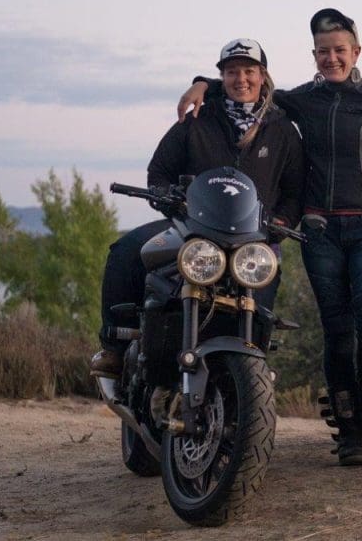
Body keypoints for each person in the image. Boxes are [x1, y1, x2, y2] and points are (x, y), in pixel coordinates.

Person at [178, 8, 362, 466]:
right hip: (320, 229)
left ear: (356, 52)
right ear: (314, 55)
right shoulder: (301, 100)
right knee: (338, 332)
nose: (332, 59)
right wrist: (202, 82)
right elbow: (248, 83)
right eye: (323, 52)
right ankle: (349, 433)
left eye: (339, 50)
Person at [90, 38, 305, 378]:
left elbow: (295, 190)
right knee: (126, 250)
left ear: (263, 76)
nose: (241, 80)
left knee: (261, 313)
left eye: (249, 71)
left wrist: (281, 221)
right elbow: (158, 171)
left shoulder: (282, 130)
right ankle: (115, 348)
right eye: (232, 72)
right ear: (223, 77)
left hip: (255, 241)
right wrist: (168, 200)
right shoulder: (197, 119)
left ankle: (252, 374)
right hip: (192, 230)